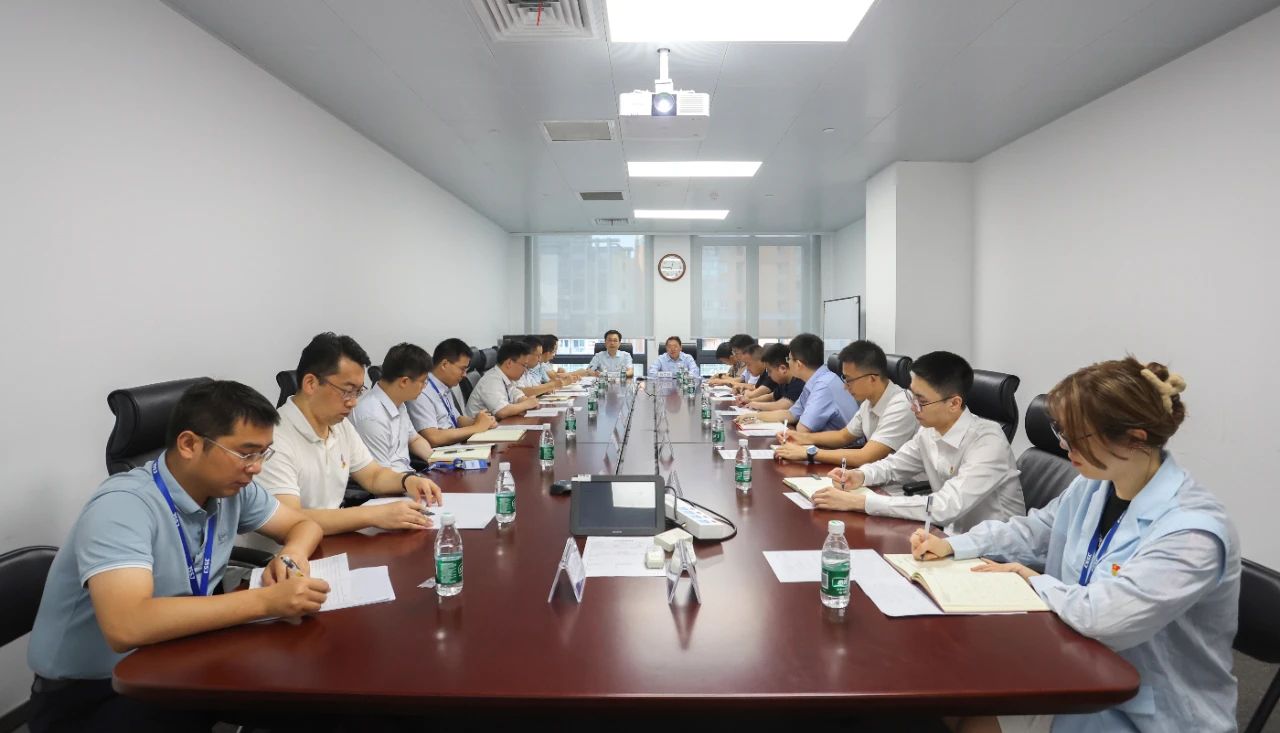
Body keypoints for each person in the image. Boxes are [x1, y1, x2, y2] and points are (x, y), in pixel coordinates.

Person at [912, 358, 1239, 733]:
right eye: (1060, 431)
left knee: (969, 716)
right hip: (1074, 663)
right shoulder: (1097, 484)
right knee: (945, 692)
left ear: (1135, 438)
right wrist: (955, 545)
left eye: (1076, 437)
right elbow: (1038, 529)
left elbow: (1106, 619)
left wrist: (1031, 582)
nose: (1063, 445)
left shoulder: (1192, 533)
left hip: (1148, 709)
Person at [27, 381, 330, 732]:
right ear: (189, 444)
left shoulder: (231, 489)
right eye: (246, 453)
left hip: (178, 654)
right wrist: (266, 602)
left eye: (263, 453)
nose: (256, 467)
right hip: (96, 694)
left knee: (312, 697)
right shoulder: (123, 505)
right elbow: (127, 625)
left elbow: (304, 525)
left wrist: (291, 554)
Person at [256, 332, 443, 538]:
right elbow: (289, 518)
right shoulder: (273, 438)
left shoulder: (339, 425)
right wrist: (373, 514)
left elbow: (373, 476)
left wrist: (407, 480)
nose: (353, 402)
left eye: (358, 392)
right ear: (311, 383)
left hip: (333, 539)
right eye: (347, 390)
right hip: (288, 552)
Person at [819, 351, 1023, 533]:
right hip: (949, 538)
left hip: (995, 552)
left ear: (954, 403)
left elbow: (946, 506)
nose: (913, 407)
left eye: (921, 401)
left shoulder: (988, 441)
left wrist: (862, 502)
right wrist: (861, 475)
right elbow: (893, 466)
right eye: (912, 397)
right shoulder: (929, 431)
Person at [775, 340, 916, 467]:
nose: (845, 386)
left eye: (849, 380)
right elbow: (843, 436)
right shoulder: (869, 402)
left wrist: (809, 452)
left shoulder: (901, 405)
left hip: (899, 485)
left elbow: (865, 457)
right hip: (873, 475)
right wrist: (802, 438)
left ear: (872, 379)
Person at [741, 333, 857, 433]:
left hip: (844, 449)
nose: (787, 363)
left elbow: (803, 429)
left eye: (789, 359)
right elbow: (791, 414)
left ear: (798, 364)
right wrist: (755, 416)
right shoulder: (814, 381)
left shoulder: (823, 385)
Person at [351, 342, 436, 473]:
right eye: (423, 381)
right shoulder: (371, 416)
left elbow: (414, 439)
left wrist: (438, 461)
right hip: (392, 481)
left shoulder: (398, 402)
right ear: (404, 382)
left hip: (407, 476)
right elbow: (381, 475)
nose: (425, 387)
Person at [409, 338, 498, 447]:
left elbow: (457, 419)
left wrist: (481, 421)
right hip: (441, 451)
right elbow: (433, 438)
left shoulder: (444, 386)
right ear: (444, 364)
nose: (464, 375)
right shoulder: (421, 391)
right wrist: (476, 427)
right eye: (462, 369)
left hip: (456, 444)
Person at [467, 338, 541, 418]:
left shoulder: (507, 378)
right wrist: (527, 404)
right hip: (478, 425)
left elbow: (517, 395)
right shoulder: (491, 380)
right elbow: (501, 411)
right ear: (509, 363)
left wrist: (526, 400)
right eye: (524, 365)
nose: (525, 370)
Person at [740, 343, 804, 410]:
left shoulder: (798, 381)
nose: (769, 375)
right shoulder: (784, 382)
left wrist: (756, 404)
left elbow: (783, 405)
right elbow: (772, 396)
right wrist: (750, 401)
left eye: (770, 371)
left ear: (783, 369)